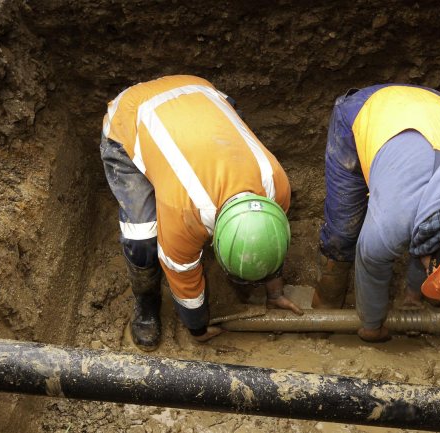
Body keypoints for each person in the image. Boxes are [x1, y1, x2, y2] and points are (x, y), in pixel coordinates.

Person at [100, 75, 302, 351]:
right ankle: (146, 303)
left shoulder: (277, 185)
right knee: (143, 240)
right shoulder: (185, 212)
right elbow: (181, 272)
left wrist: (275, 292)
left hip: (202, 94)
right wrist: (197, 326)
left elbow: (269, 236)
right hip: (131, 116)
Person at [315, 84, 440, 342]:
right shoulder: (394, 222)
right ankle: (327, 298)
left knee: (427, 241)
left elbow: (438, 244)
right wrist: (371, 325)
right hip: (364, 111)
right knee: (344, 230)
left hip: (438, 106)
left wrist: (413, 297)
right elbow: (371, 263)